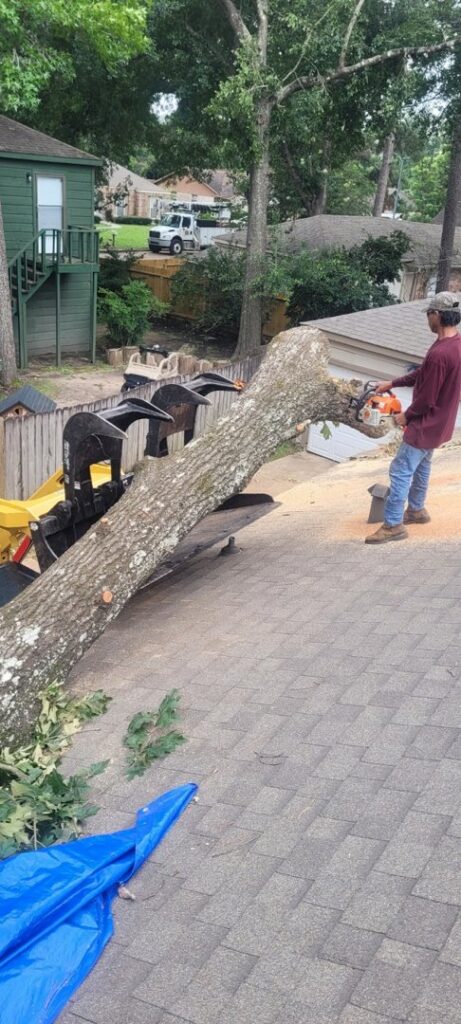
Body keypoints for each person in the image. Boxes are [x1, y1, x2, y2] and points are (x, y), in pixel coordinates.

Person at [365, 292, 461, 544]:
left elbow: (427, 396)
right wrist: (392, 383)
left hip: (425, 423)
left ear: (437, 315)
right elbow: (424, 373)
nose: (427, 320)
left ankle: (393, 525)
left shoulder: (441, 353)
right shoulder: (454, 345)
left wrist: (406, 416)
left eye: (429, 314)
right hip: (441, 424)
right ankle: (417, 510)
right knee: (422, 466)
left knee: (400, 470)